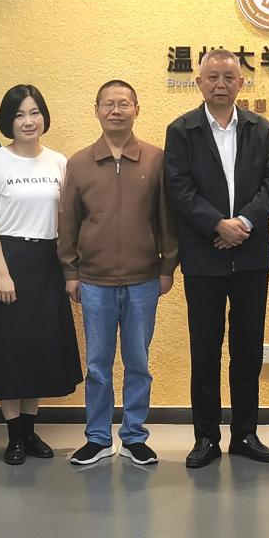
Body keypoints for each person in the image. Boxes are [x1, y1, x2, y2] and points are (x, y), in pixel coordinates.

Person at [164, 49, 269, 469]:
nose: (220, 84)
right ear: (199, 82)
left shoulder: (259, 128)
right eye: (212, 76)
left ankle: (246, 434)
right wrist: (217, 224)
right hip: (204, 256)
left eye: (228, 77)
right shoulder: (182, 130)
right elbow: (178, 188)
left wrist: (244, 223)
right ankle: (206, 437)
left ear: (240, 83)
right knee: (205, 350)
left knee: (248, 351)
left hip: (250, 257)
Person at [59, 80, 177, 467]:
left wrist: (167, 266)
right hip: (94, 281)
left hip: (144, 279)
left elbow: (167, 218)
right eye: (108, 104)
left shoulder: (156, 159)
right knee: (97, 365)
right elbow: (68, 223)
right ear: (96, 110)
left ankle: (134, 436)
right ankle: (97, 437)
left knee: (138, 363)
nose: (116, 110)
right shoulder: (79, 163)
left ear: (136, 110)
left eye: (124, 103)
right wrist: (71, 271)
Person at [0, 84, 81, 465]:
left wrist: (69, 266)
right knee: (10, 349)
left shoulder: (58, 162)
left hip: (47, 261)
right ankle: (14, 436)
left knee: (39, 348)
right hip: (9, 258)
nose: (28, 121)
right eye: (19, 115)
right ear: (9, 121)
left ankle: (31, 432)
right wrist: (2, 273)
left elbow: (66, 218)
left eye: (34, 112)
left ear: (44, 117)